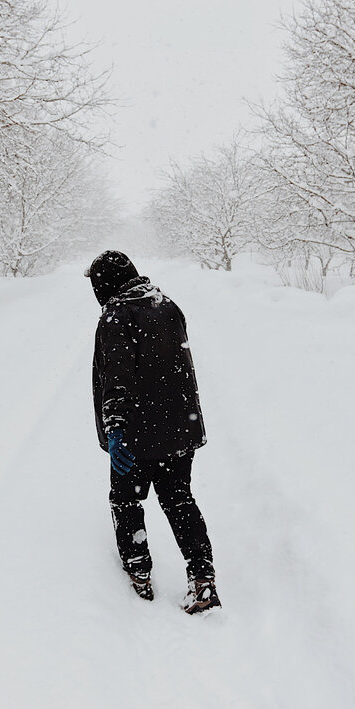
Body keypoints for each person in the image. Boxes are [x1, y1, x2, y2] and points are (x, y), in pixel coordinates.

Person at [86, 250, 220, 615]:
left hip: (136, 436)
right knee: (179, 499)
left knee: (126, 500)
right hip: (180, 429)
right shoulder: (168, 305)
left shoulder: (116, 315)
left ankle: (139, 571)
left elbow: (116, 379)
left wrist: (115, 429)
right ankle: (203, 578)